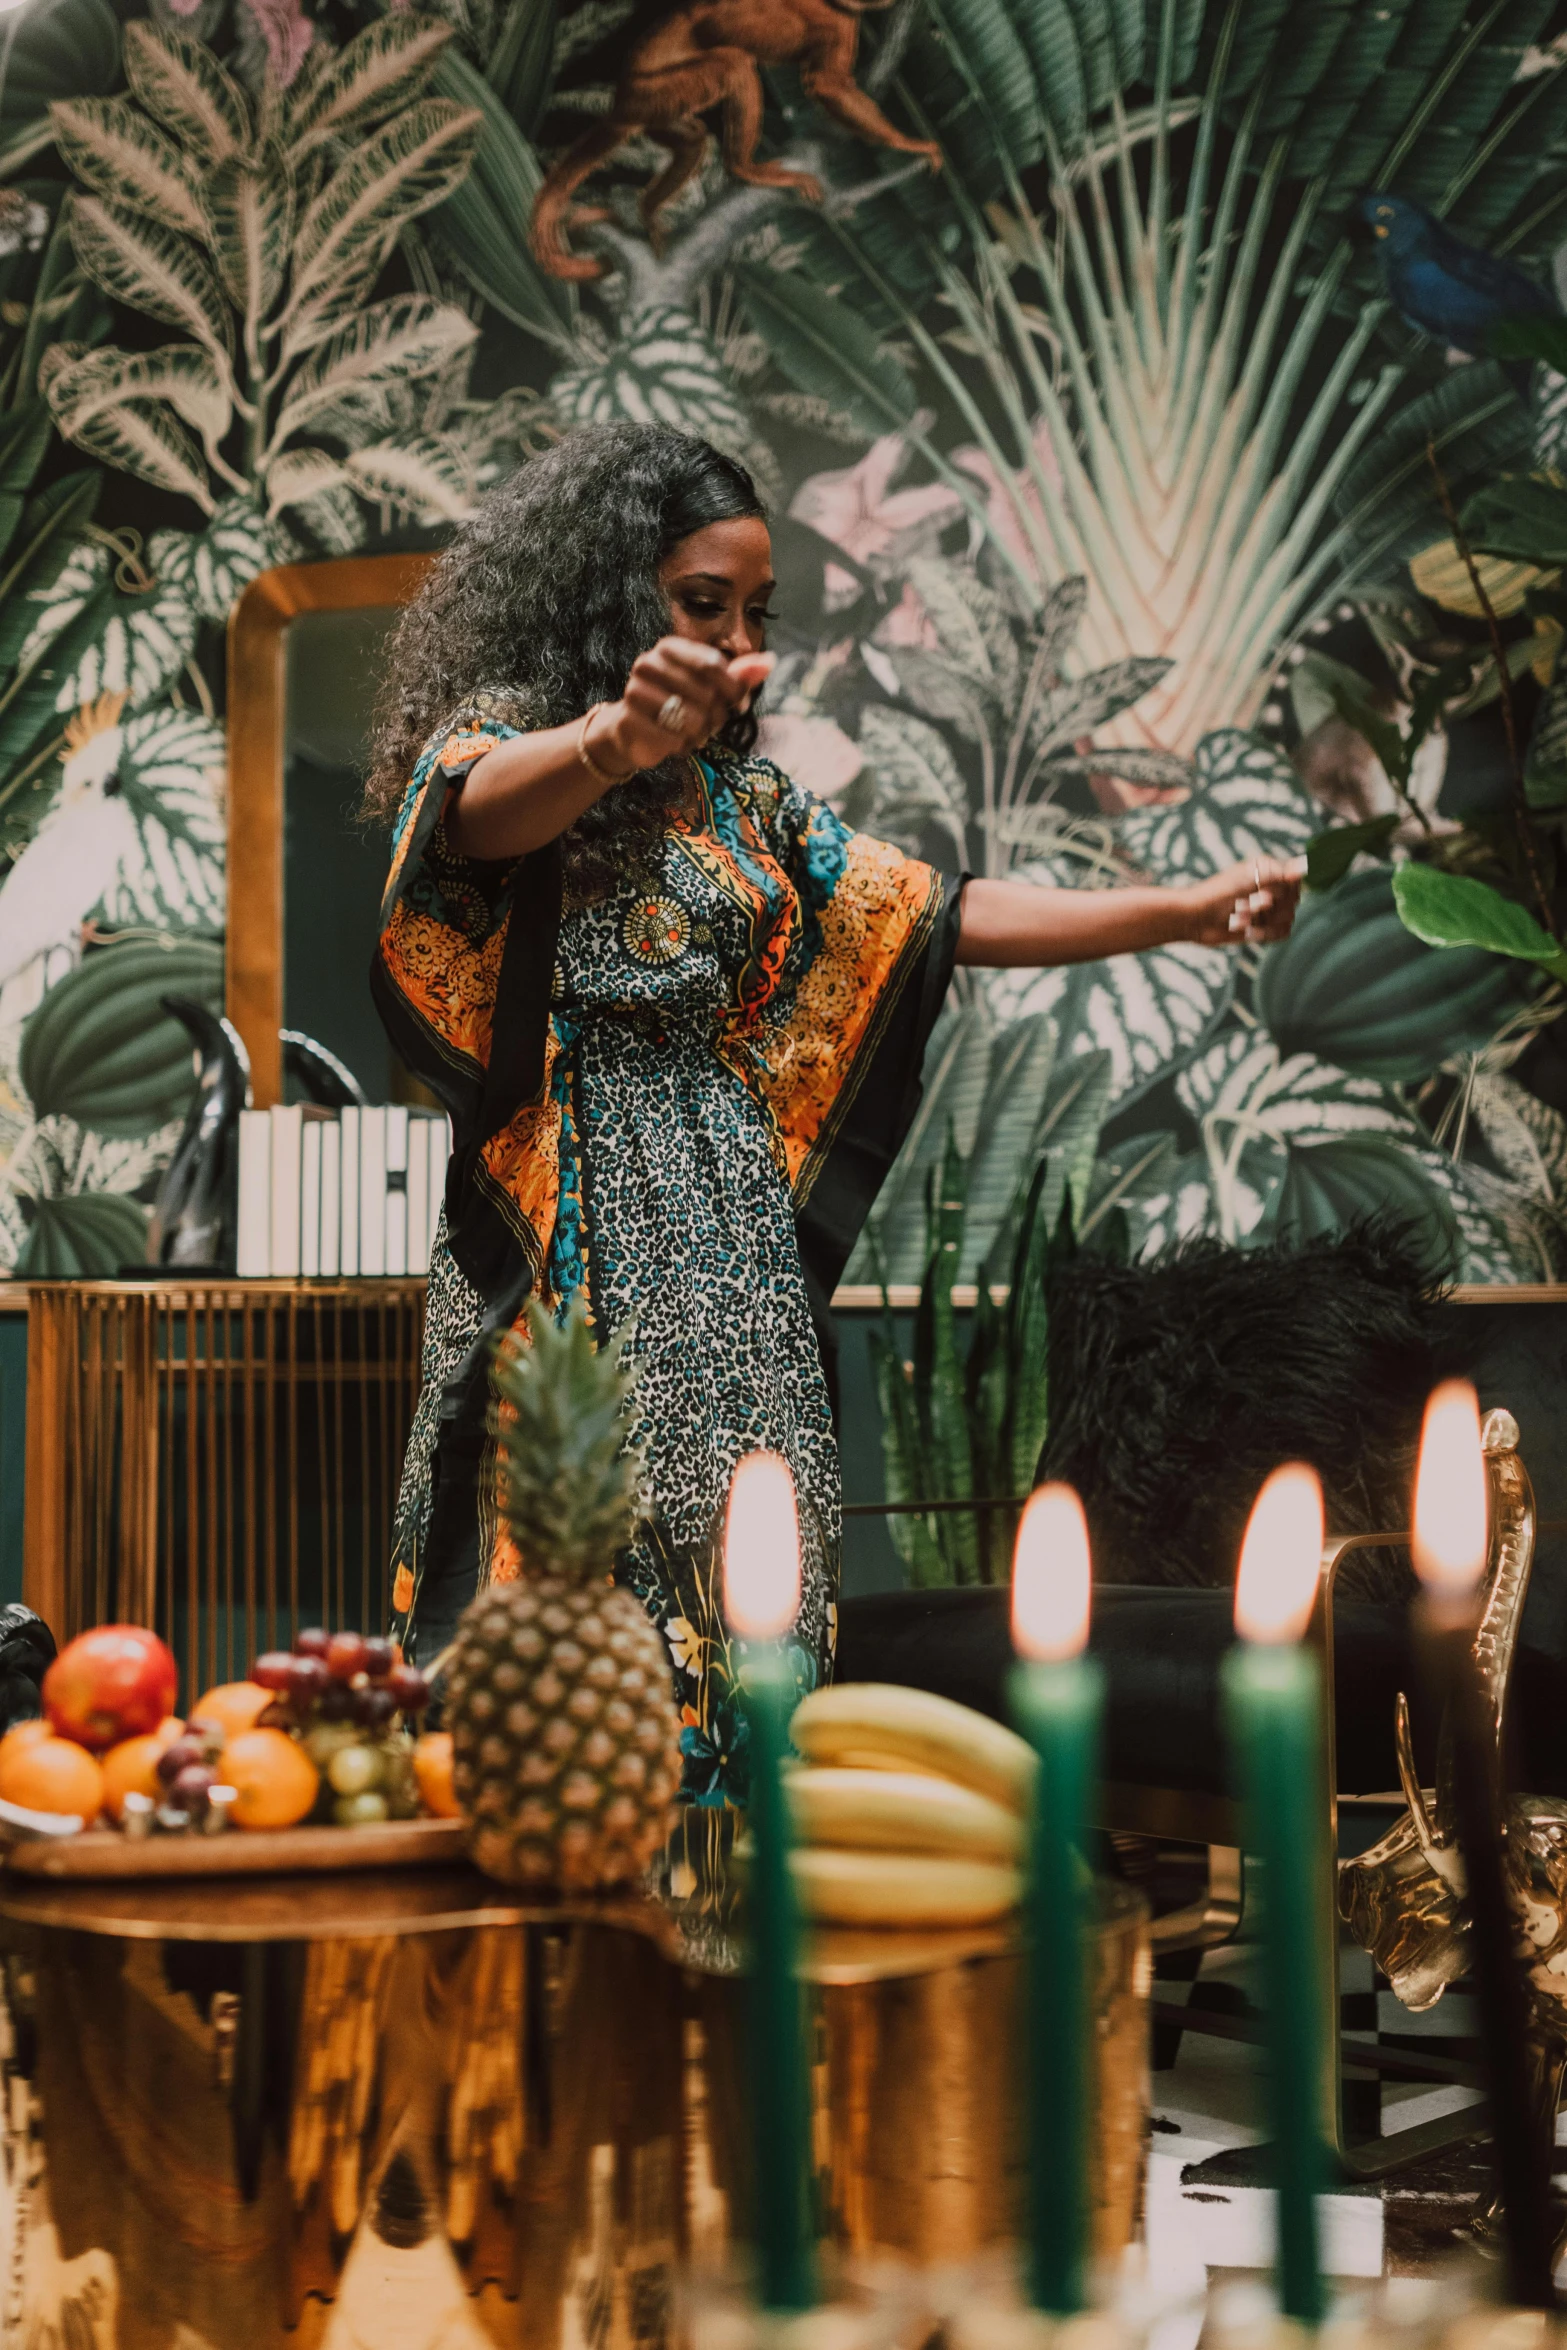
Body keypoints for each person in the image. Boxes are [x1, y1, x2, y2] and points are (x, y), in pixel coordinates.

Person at [366, 423, 1302, 1789]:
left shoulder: (745, 804)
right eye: (702, 603)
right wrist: (611, 739)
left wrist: (1178, 909)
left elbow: (933, 913)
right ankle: (557, 1881)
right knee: (571, 1548)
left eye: (755, 612)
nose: (741, 640)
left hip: (731, 1226)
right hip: (569, 1202)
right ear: (611, 594)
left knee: (750, 1552)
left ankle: (739, 1886)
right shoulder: (518, 739)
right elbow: (471, 818)